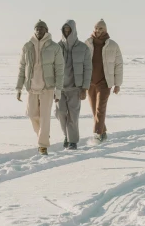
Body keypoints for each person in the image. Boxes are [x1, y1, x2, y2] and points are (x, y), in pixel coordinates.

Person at [16, 20, 64, 155]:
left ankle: (42, 145)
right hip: (31, 87)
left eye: (42, 28)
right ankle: (43, 134)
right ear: (34, 30)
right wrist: (19, 88)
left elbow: (60, 70)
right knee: (32, 114)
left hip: (47, 87)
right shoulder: (27, 46)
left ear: (47, 30)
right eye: (37, 28)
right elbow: (21, 68)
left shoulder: (55, 47)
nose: (39, 30)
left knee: (44, 117)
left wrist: (58, 89)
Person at [56, 19, 92, 150]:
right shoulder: (56, 47)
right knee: (60, 113)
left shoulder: (83, 48)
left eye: (69, 30)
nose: (67, 32)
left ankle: (72, 141)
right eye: (65, 30)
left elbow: (88, 69)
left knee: (73, 115)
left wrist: (85, 88)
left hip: (76, 88)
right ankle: (66, 135)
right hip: (59, 88)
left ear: (74, 30)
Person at [85, 19, 123, 142]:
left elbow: (119, 65)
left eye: (101, 28)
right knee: (94, 110)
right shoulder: (87, 43)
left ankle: (97, 134)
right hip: (90, 82)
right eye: (96, 28)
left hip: (105, 82)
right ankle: (103, 131)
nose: (98, 30)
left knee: (100, 108)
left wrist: (117, 84)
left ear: (105, 30)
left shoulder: (112, 45)